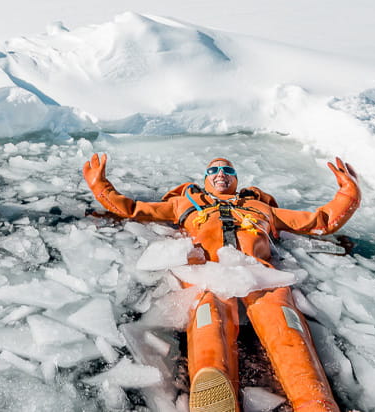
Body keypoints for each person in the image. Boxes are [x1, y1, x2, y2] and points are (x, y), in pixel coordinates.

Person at [82, 153, 360, 412]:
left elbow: (318, 221)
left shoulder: (260, 207)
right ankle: (212, 386)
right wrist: (101, 186)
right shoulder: (183, 204)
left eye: (227, 170)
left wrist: (349, 192)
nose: (220, 174)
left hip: (262, 276)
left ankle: (315, 400)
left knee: (286, 327)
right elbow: (133, 209)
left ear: (235, 180)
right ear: (205, 180)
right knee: (209, 320)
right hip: (209, 274)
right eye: (213, 170)